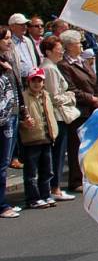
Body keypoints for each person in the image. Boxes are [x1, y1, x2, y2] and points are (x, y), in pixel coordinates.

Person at [58, 30, 98, 192]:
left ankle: (89, 175)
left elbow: (93, 79)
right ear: (69, 46)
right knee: (77, 145)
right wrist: (90, 98)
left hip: (92, 108)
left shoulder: (82, 61)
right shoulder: (64, 65)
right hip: (79, 110)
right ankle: (76, 180)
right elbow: (71, 88)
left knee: (91, 144)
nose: (81, 44)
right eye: (77, 42)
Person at [40, 36, 79, 201]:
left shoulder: (52, 67)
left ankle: (54, 186)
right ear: (49, 51)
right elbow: (54, 96)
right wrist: (70, 96)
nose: (61, 51)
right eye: (58, 48)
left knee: (59, 152)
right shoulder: (49, 69)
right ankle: (54, 187)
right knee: (57, 152)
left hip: (59, 115)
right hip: (57, 116)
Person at [0, 27, 30, 218]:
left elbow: (17, 87)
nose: (9, 42)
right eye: (6, 39)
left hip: (12, 115)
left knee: (4, 160)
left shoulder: (8, 59)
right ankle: (2, 205)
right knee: (2, 163)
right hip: (3, 119)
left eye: (10, 38)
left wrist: (23, 111)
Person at [19, 67, 58, 209]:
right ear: (28, 82)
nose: (36, 83)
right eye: (33, 80)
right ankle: (32, 198)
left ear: (43, 82)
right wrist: (24, 123)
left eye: (39, 81)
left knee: (47, 170)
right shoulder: (23, 97)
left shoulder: (46, 95)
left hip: (47, 137)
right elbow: (18, 117)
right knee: (31, 171)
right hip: (31, 138)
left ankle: (45, 194)